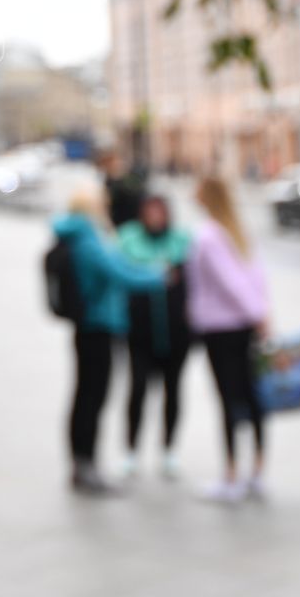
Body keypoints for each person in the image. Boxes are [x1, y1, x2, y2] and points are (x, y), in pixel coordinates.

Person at [52, 187, 169, 495]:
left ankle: (83, 463)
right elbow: (120, 273)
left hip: (91, 326)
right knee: (92, 398)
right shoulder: (89, 239)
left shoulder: (78, 236)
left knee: (85, 396)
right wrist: (159, 276)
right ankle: (85, 464)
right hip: (97, 326)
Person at [187, 175, 271, 502]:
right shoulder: (238, 232)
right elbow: (256, 278)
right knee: (252, 396)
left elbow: (229, 283)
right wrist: (262, 315)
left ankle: (232, 473)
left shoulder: (209, 236)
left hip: (222, 329)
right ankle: (258, 470)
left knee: (228, 399)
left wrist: (257, 314)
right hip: (244, 327)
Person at [116, 195, 192, 479]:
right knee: (137, 390)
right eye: (150, 211)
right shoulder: (128, 241)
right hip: (139, 334)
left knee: (172, 392)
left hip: (176, 335)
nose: (155, 216)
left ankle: (169, 449)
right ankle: (131, 450)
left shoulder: (181, 242)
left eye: (160, 211)